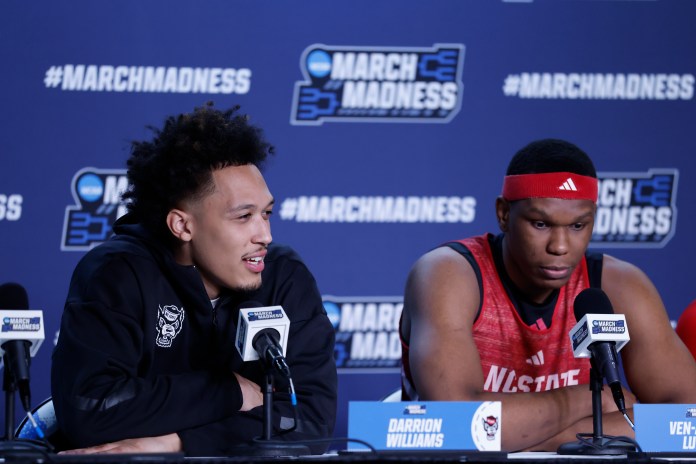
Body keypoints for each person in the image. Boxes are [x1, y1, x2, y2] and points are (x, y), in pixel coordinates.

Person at [51, 103, 337, 456]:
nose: (265, 235)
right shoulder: (117, 274)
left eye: (266, 213)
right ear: (182, 225)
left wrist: (176, 443)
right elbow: (90, 409)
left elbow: (310, 418)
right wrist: (229, 390)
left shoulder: (284, 276)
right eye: (244, 217)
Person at [399, 139, 696, 452]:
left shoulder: (619, 284)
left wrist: (535, 438)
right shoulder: (450, 274)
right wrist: (588, 399)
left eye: (578, 225)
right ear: (503, 214)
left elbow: (689, 420)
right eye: (540, 224)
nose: (560, 246)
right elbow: (458, 422)